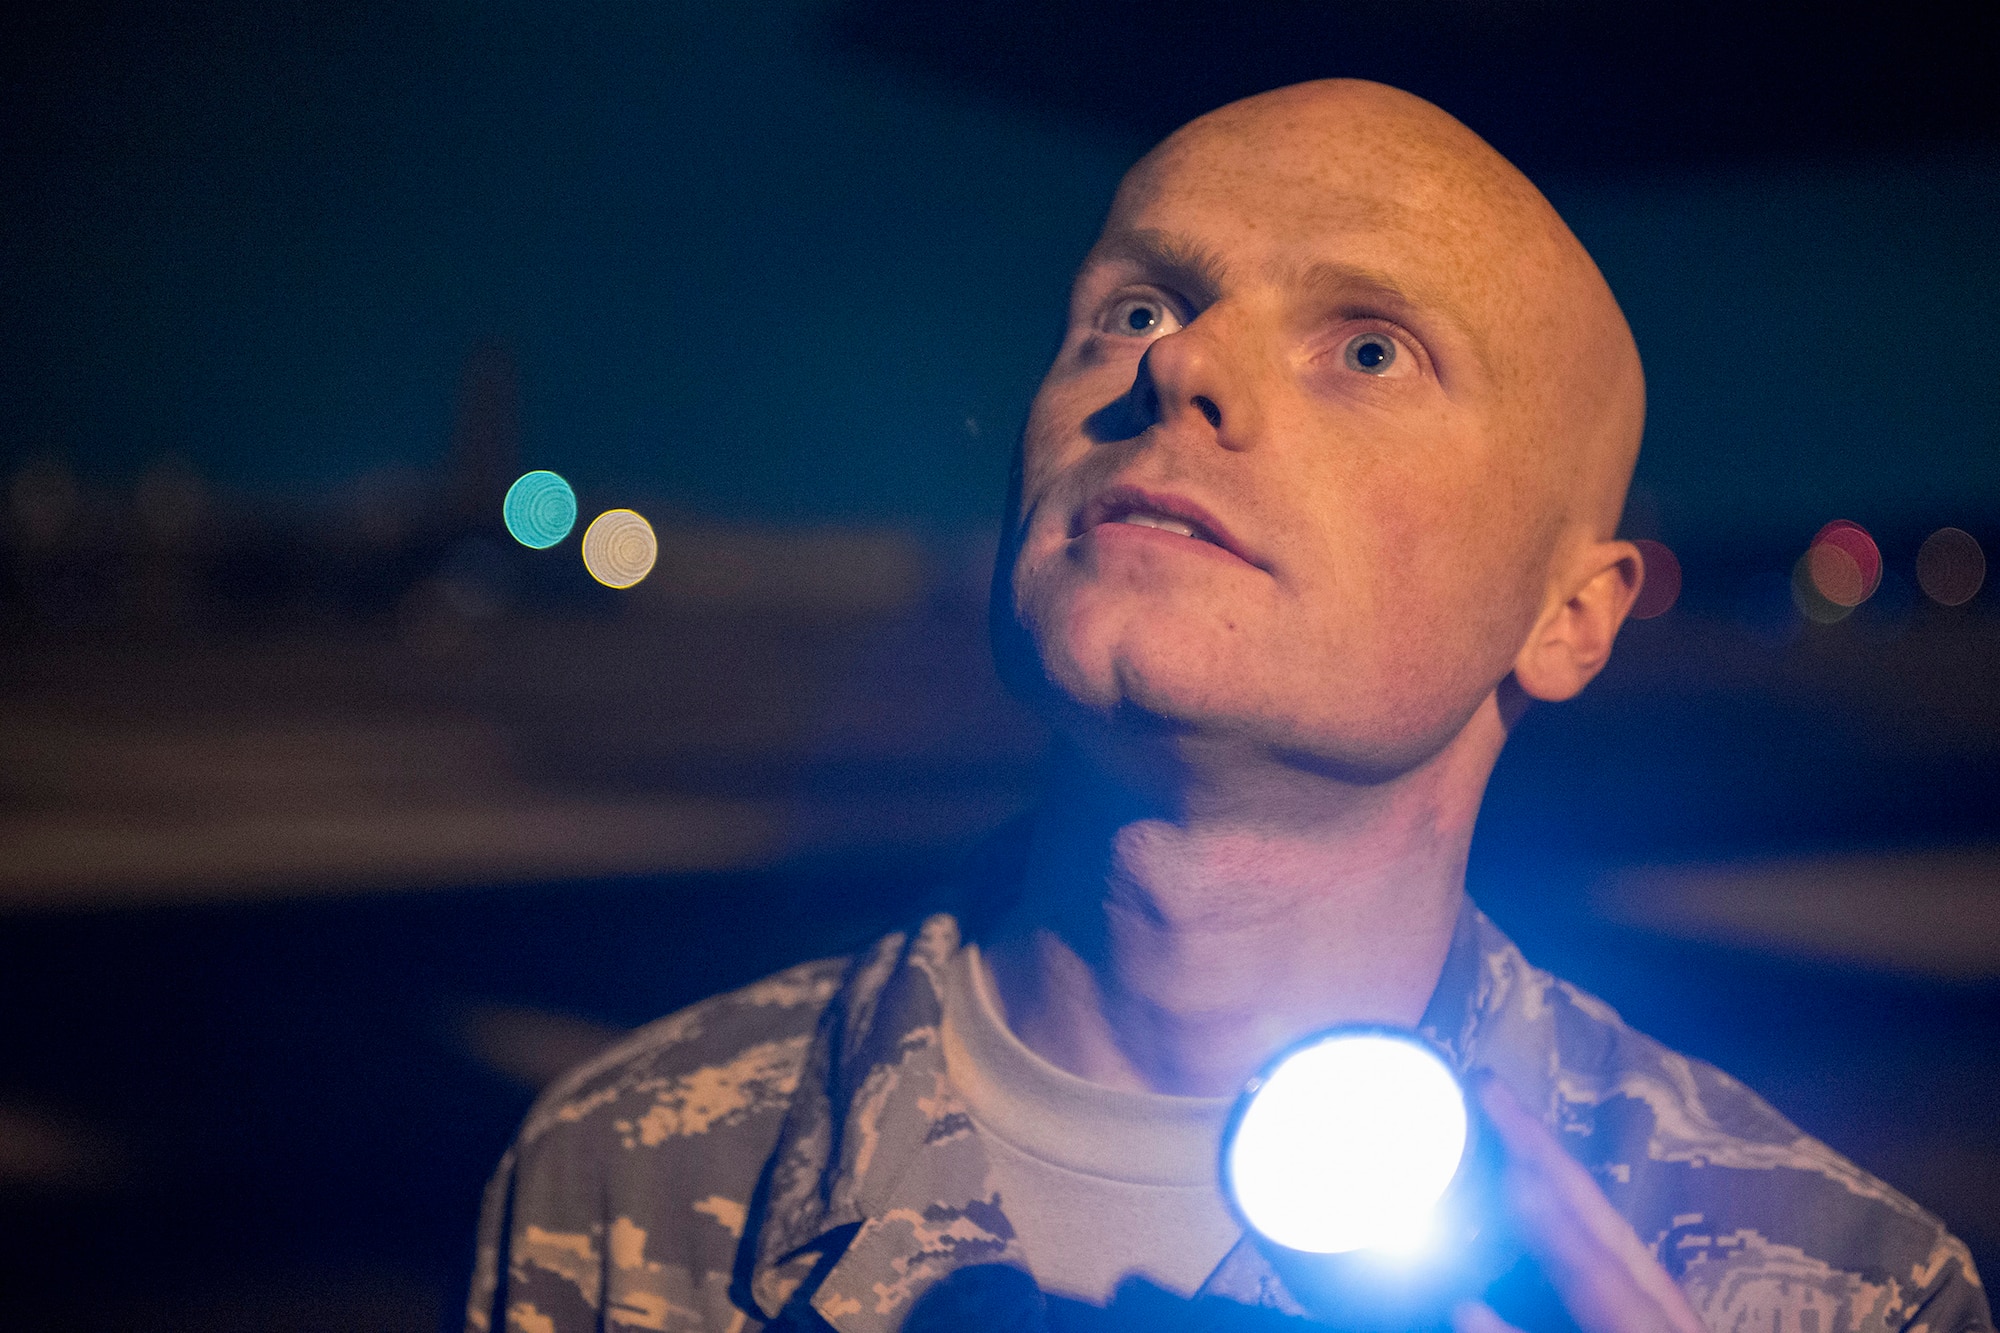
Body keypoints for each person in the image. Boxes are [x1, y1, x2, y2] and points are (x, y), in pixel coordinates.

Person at [464, 80, 1991, 1333]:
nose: (1181, 363)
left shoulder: (1834, 1288)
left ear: (1571, 615)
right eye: (1134, 311)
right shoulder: (628, 1182)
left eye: (1370, 347)